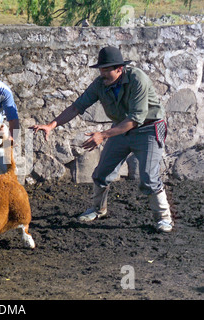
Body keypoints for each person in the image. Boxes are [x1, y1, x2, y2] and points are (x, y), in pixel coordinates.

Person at [31, 46, 174, 233]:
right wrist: (52, 124)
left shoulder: (138, 79)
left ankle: (163, 218)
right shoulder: (100, 84)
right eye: (101, 69)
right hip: (121, 128)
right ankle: (98, 209)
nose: (103, 73)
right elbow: (76, 107)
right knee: (102, 172)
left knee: (147, 177)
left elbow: (136, 118)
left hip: (148, 127)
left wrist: (103, 135)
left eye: (107, 69)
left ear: (120, 69)